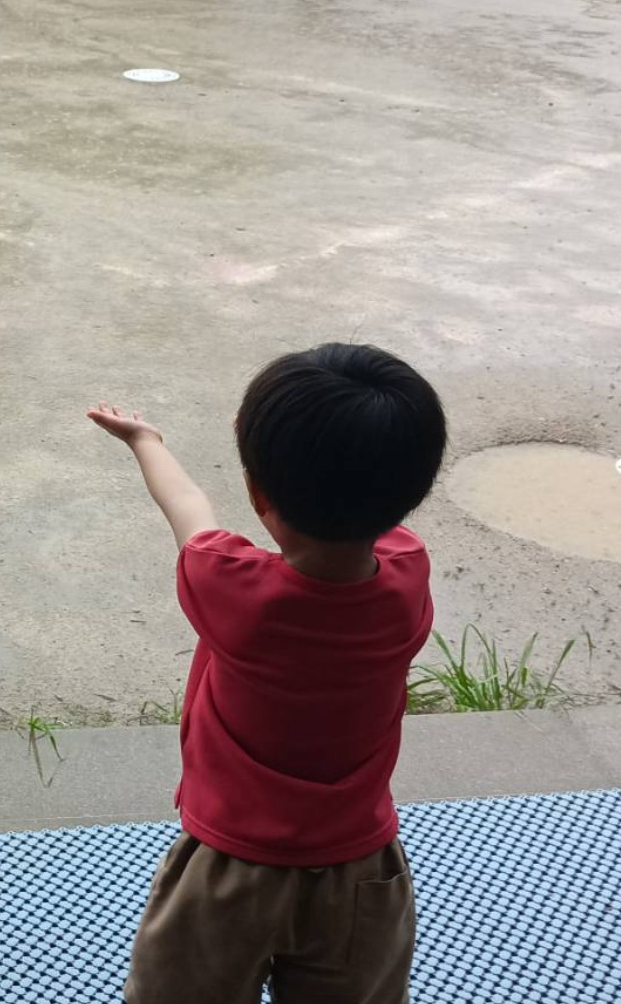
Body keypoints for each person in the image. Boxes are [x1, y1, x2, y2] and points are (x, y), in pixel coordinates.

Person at [87, 343, 447, 1004]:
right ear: (409, 495)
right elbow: (378, 514)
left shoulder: (235, 593)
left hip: (228, 871)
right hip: (362, 872)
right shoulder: (406, 584)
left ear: (258, 492)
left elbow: (188, 505)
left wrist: (145, 440)